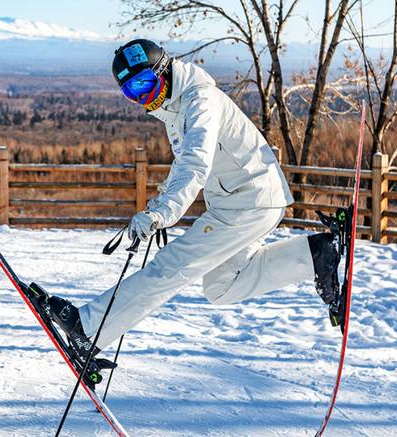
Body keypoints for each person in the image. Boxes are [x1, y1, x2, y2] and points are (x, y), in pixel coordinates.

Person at [28, 39, 340, 358]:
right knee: (220, 287)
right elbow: (183, 165)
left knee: (170, 267)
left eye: (144, 84)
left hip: (249, 200)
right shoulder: (176, 108)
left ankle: (88, 329)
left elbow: (195, 162)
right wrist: (159, 205)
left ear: (163, 70)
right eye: (131, 92)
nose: (142, 97)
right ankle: (315, 256)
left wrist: (162, 213)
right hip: (240, 201)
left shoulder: (199, 100)